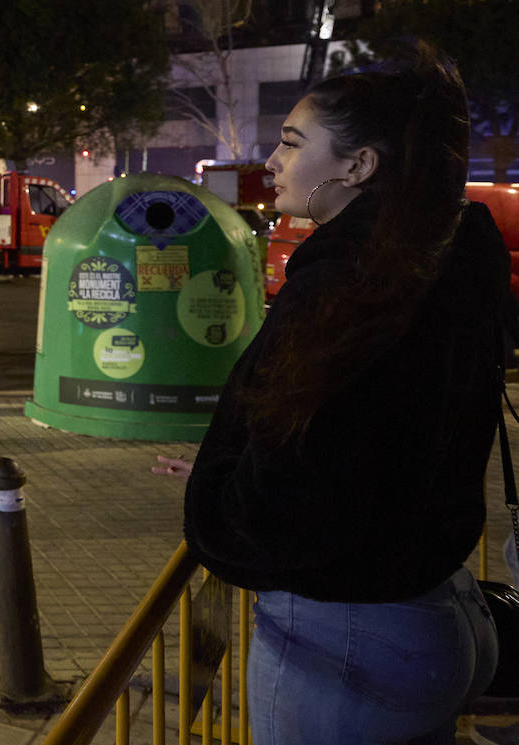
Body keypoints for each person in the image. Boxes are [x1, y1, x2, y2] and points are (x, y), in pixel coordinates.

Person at [177, 44, 504, 743]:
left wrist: (224, 495)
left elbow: (291, 502)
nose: (270, 162)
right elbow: (368, 443)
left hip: (346, 641)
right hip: (430, 608)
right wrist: (252, 457)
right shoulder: (436, 258)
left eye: (293, 144)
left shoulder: (349, 290)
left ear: (359, 167)